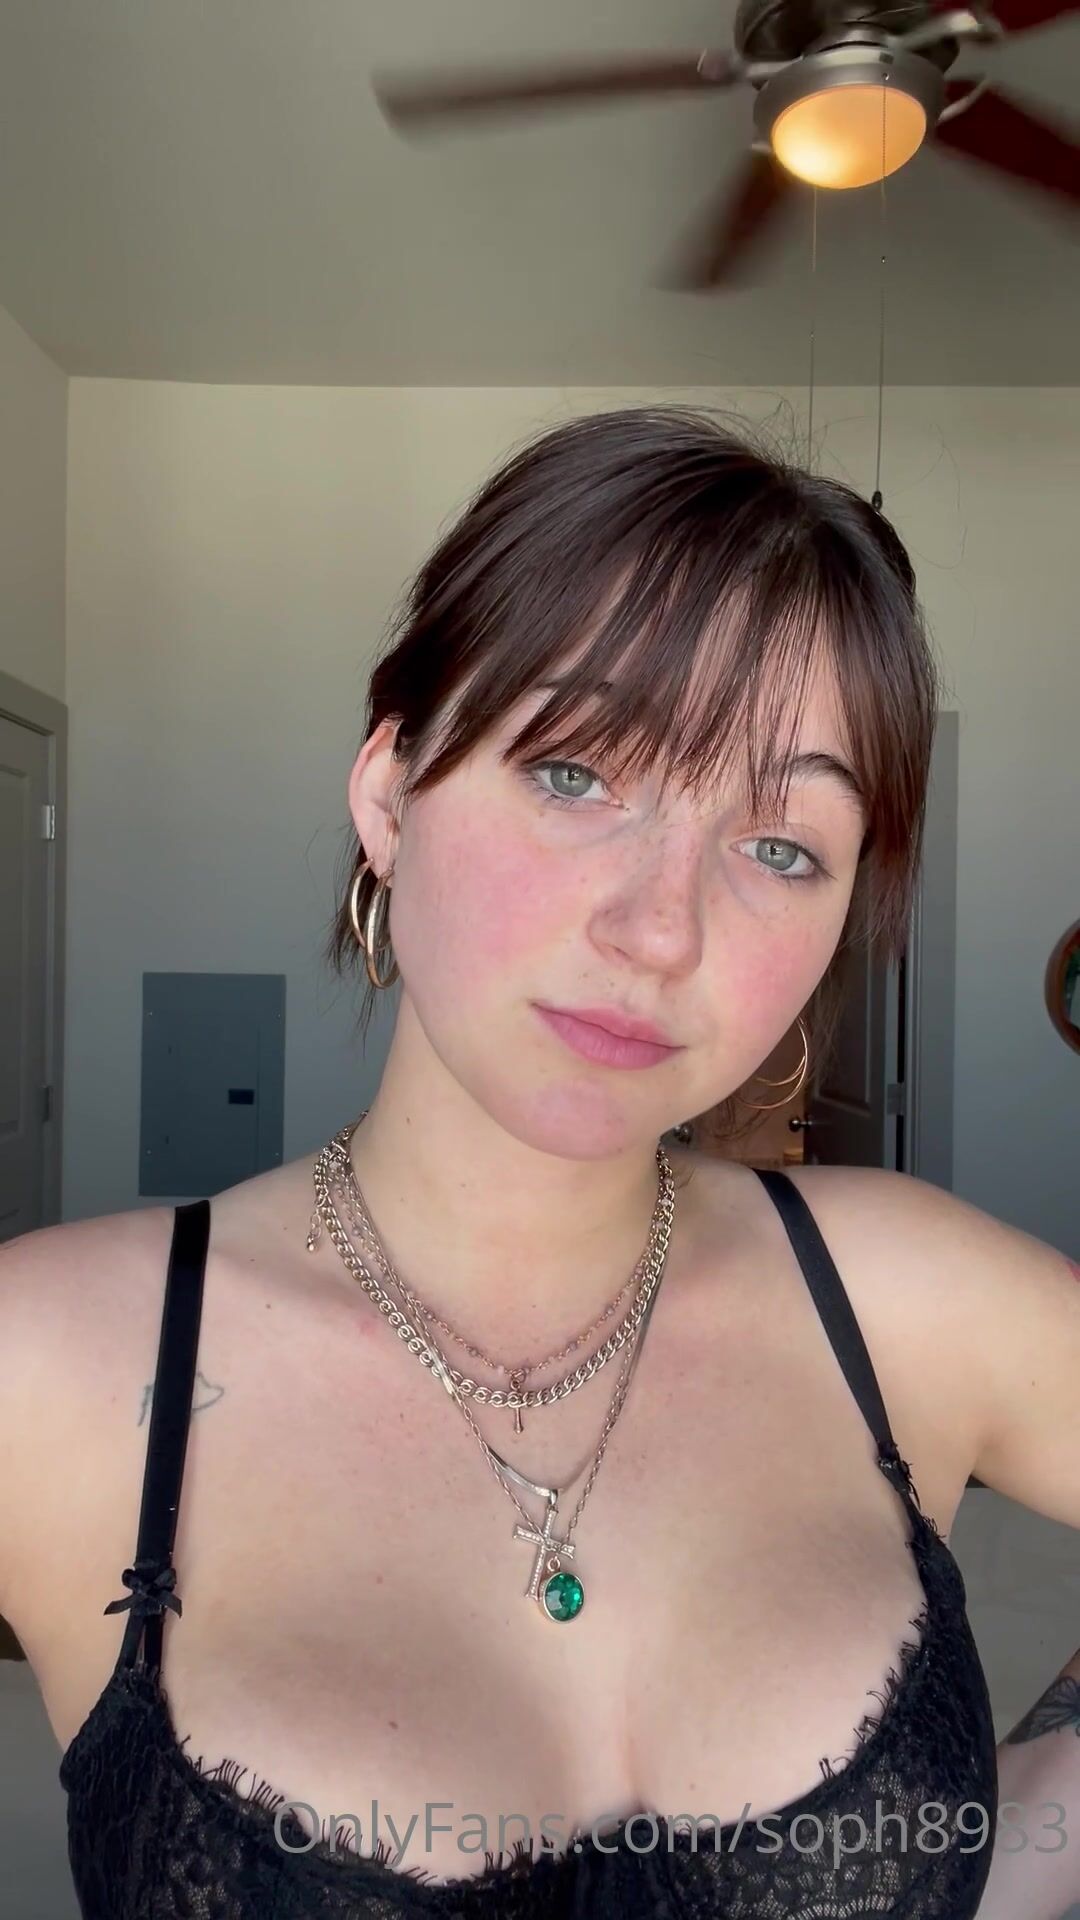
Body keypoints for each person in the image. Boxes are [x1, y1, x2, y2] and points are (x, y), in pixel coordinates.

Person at [1, 405, 1077, 1920]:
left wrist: (997, 1841)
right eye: (577, 773)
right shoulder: (53, 1362)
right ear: (390, 793)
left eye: (781, 847)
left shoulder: (911, 1295)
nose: (661, 930)